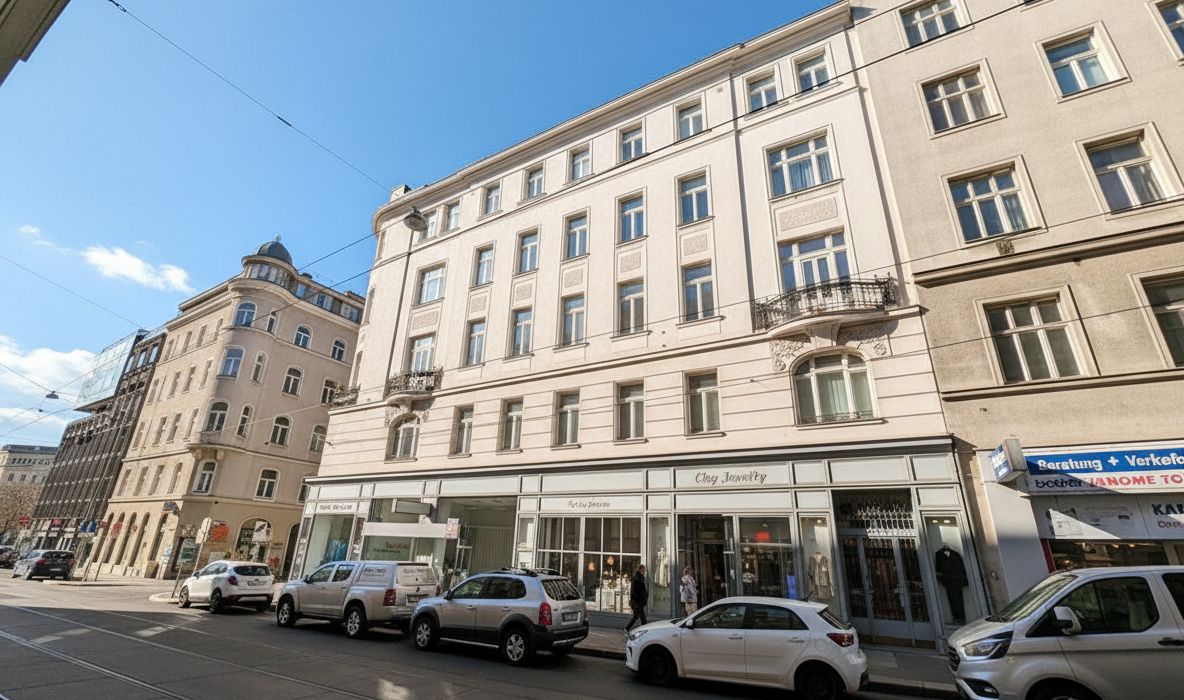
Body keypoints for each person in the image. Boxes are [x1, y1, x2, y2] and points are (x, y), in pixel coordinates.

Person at [625, 564, 648, 633]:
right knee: (642, 618)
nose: (644, 571)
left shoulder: (639, 578)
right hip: (638, 601)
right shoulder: (637, 578)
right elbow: (635, 591)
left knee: (636, 616)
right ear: (640, 569)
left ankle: (627, 628)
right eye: (643, 570)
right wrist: (637, 599)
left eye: (644, 570)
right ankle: (646, 630)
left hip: (638, 601)